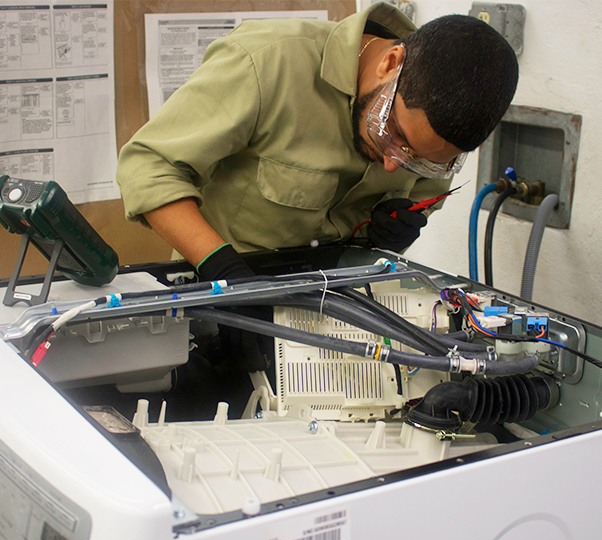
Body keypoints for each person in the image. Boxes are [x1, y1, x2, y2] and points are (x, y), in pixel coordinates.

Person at [116, 2, 518, 371]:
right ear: (391, 62)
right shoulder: (268, 62)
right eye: (393, 133)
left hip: (340, 323)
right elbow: (149, 166)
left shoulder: (438, 131)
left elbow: (420, 198)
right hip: (218, 310)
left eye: (421, 159)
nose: (394, 162)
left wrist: (391, 235)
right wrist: (226, 273)